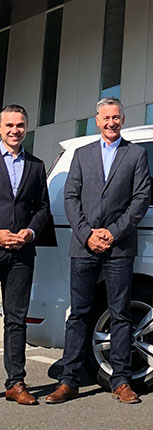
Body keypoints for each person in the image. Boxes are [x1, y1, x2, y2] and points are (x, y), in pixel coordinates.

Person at [45, 97, 150, 404]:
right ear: (97, 120)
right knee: (78, 314)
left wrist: (113, 232)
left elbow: (140, 200)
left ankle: (121, 381)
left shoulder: (136, 154)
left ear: (123, 119)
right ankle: (70, 381)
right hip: (83, 247)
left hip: (119, 248)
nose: (111, 122)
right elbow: (71, 198)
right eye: (106, 117)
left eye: (116, 117)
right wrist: (87, 234)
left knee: (120, 314)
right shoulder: (81, 154)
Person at [0, 104, 50, 405]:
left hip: (21, 254)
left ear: (26, 128)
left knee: (16, 320)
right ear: (0, 128)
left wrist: (29, 232)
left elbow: (43, 207)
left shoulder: (36, 165)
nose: (14, 130)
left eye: (19, 125)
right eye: (9, 125)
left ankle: (16, 383)